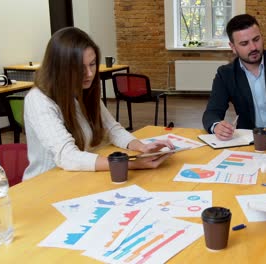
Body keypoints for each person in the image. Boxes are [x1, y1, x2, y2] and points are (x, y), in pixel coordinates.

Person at [23, 27, 174, 180]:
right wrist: (133, 164)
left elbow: (113, 130)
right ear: (60, 68)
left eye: (92, 64)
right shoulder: (38, 100)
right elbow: (67, 156)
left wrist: (142, 147)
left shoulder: (84, 90)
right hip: (45, 183)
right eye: (80, 68)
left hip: (77, 177)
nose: (89, 74)